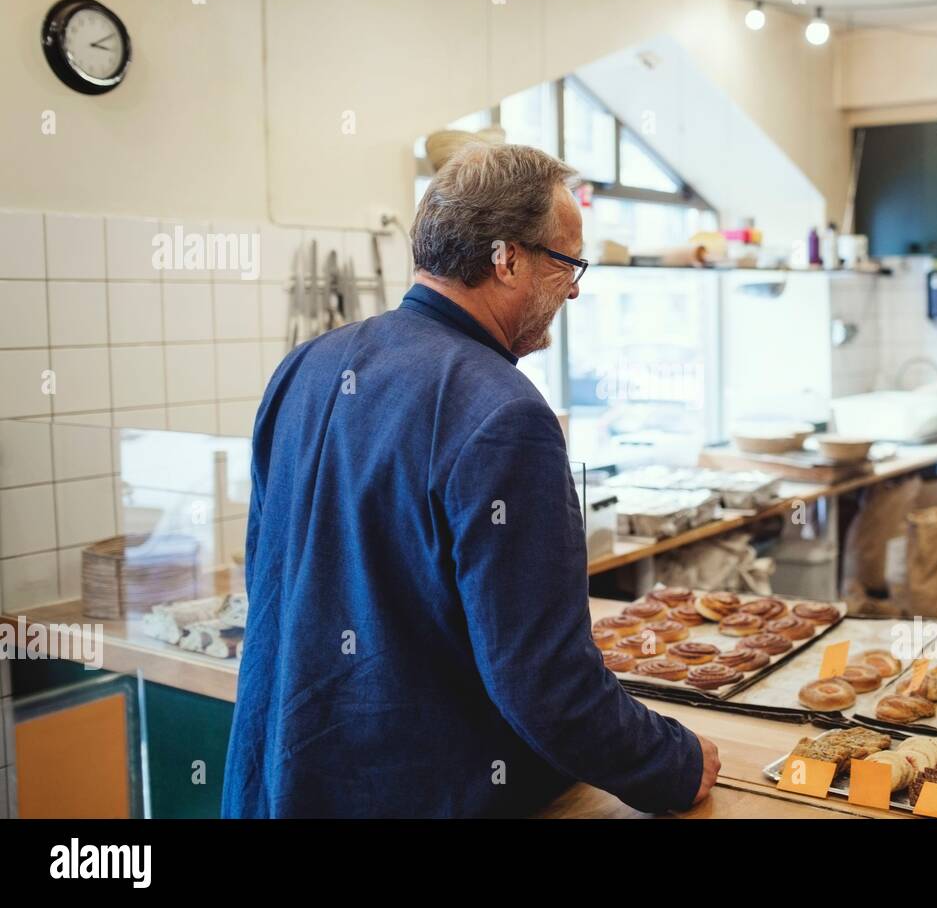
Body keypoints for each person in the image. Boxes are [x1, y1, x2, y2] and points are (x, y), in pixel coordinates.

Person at [222, 143, 718, 817]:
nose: (574, 288)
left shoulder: (305, 368)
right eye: (567, 264)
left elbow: (274, 582)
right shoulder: (504, 413)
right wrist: (674, 762)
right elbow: (547, 687)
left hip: (285, 785)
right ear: (506, 259)